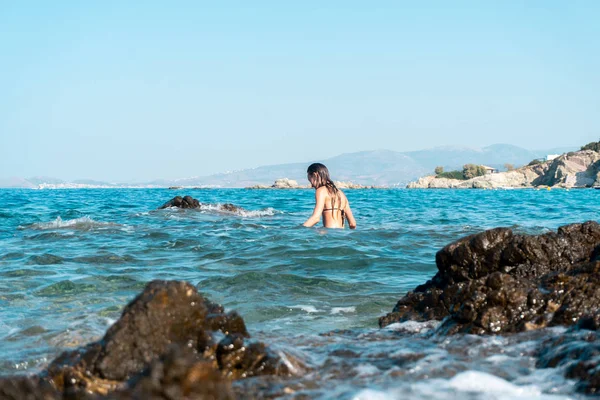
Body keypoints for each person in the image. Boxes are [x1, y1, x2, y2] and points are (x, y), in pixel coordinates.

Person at [303, 163, 357, 229]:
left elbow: (316, 218)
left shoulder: (321, 191)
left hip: (329, 234)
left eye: (310, 181)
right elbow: (352, 224)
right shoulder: (341, 194)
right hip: (341, 235)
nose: (312, 186)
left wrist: (299, 230)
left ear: (315, 175)